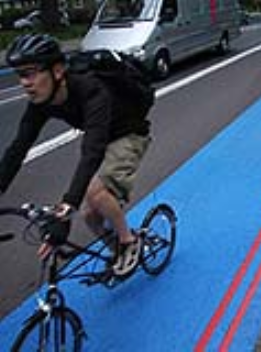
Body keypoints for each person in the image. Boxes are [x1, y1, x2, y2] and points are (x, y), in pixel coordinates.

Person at [0, 34, 152, 277]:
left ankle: (128, 241)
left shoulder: (90, 88)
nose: (25, 83)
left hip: (128, 134)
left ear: (57, 70)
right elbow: (18, 148)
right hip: (103, 137)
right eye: (20, 75)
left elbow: (92, 151)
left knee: (94, 194)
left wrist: (67, 205)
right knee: (90, 215)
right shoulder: (41, 103)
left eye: (31, 73)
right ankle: (117, 249)